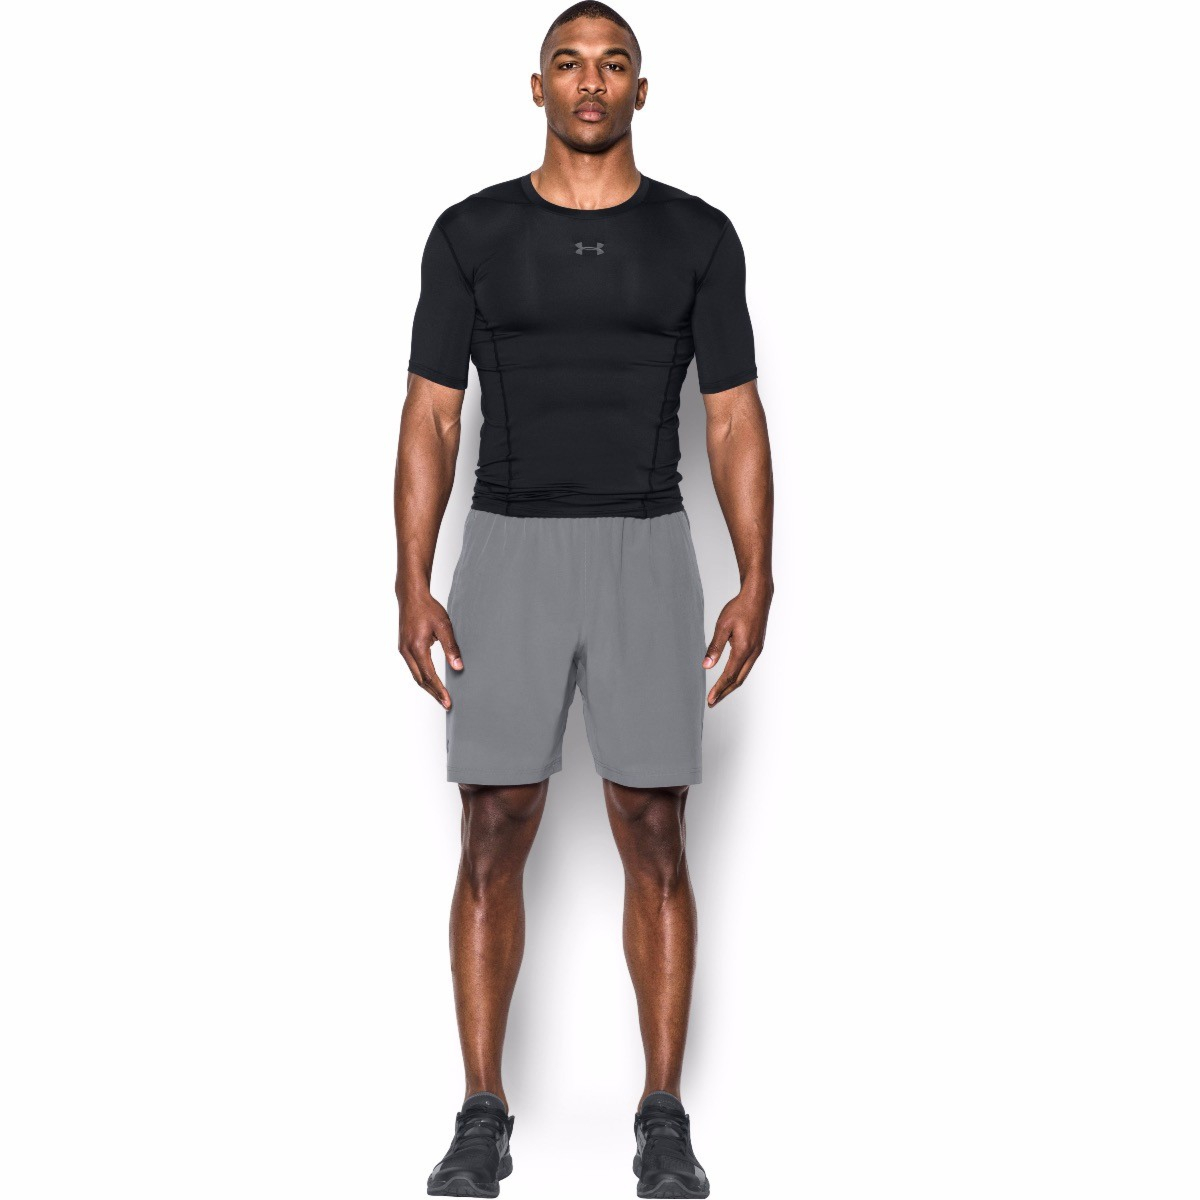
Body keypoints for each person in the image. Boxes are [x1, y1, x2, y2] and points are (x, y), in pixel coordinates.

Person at [394, 3, 774, 1195]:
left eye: (614, 65)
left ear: (640, 91)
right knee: (493, 827)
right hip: (506, 548)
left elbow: (732, 418)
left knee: (653, 829)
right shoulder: (471, 233)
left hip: (647, 549)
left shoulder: (698, 236)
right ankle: (482, 1116)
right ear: (538, 87)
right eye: (569, 63)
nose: (591, 82)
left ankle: (663, 1119)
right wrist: (411, 577)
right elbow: (432, 415)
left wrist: (757, 574)